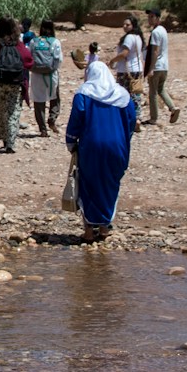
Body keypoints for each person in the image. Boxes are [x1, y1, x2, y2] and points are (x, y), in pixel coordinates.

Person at [65, 61, 138, 243]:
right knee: (110, 183)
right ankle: (104, 227)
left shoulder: (84, 93)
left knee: (88, 183)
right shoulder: (123, 95)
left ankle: (89, 231)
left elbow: (76, 119)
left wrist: (71, 141)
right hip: (117, 146)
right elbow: (131, 121)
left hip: (91, 145)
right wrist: (124, 140)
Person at [0, 15, 34, 153]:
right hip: (16, 83)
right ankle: (11, 142)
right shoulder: (18, 43)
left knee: (2, 110)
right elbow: (28, 61)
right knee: (13, 111)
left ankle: (4, 138)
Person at [144, 7, 180, 125]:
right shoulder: (163, 30)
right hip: (164, 66)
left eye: (152, 17)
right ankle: (173, 108)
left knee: (153, 93)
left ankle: (153, 118)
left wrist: (151, 68)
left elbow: (155, 51)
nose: (150, 19)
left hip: (157, 66)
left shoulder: (155, 32)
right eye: (149, 16)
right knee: (161, 89)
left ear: (158, 18)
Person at [28, 20, 64, 138]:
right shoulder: (55, 42)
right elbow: (59, 59)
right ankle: (52, 119)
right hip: (51, 75)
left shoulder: (33, 41)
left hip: (36, 75)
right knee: (55, 98)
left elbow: (28, 56)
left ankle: (43, 129)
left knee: (39, 101)